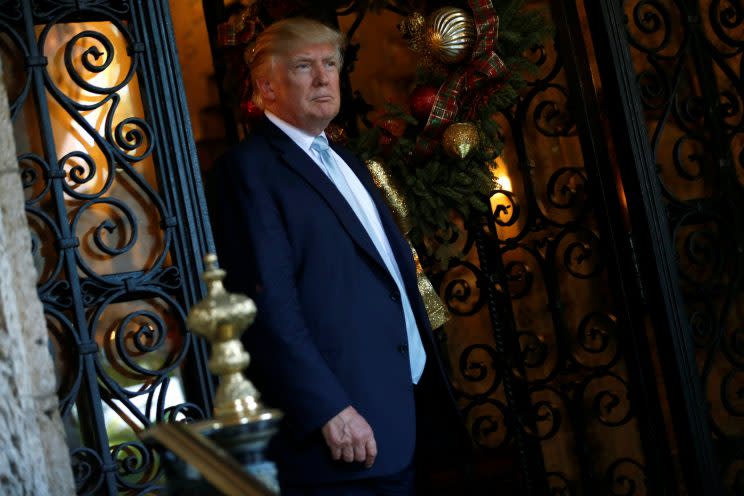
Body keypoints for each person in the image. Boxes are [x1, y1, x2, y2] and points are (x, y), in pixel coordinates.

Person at [213, 17, 467, 495]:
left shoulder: (347, 161)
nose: (323, 77)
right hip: (339, 438)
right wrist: (326, 408)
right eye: (304, 66)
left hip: (397, 417)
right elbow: (267, 307)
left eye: (330, 64)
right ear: (266, 88)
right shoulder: (249, 171)